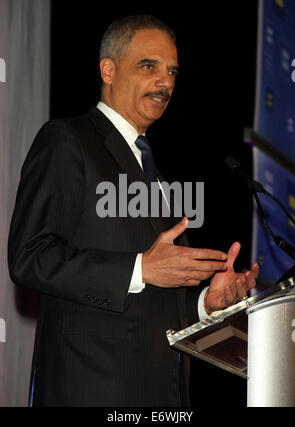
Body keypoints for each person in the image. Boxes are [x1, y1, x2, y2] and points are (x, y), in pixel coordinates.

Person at [8, 15, 258, 407]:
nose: (166, 82)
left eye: (173, 71)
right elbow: (30, 256)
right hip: (90, 390)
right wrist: (141, 268)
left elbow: (155, 296)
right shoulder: (67, 139)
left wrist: (205, 305)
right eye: (149, 66)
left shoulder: (156, 172)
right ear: (108, 69)